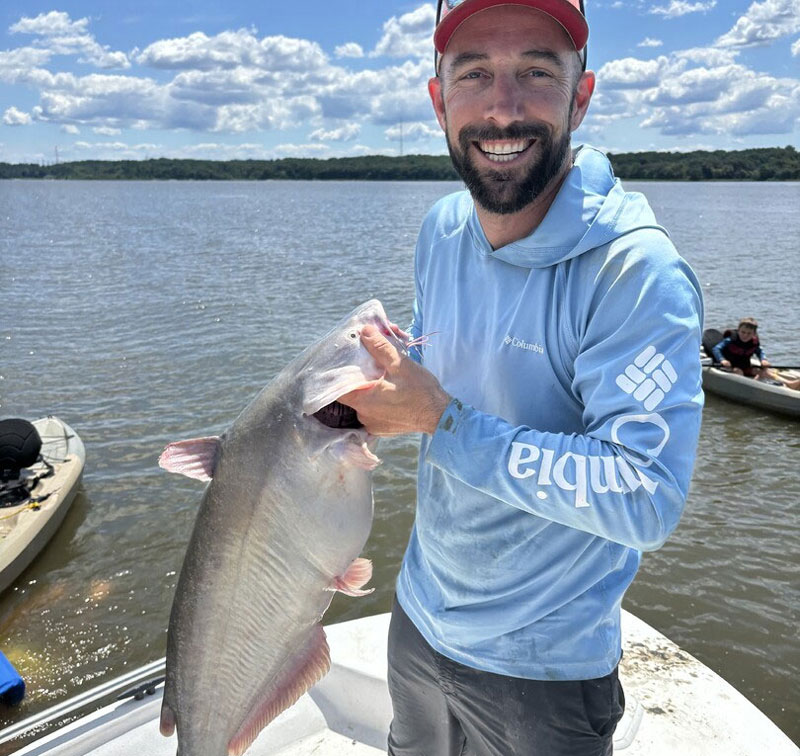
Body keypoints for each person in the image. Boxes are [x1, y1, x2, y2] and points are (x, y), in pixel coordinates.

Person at [340, 1, 704, 753]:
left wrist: (444, 421)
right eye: (474, 74)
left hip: (543, 669)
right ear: (439, 100)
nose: (502, 109)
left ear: (582, 94)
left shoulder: (636, 272)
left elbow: (647, 497)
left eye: (536, 71)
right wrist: (377, 395)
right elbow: (442, 375)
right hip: (419, 610)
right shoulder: (442, 227)